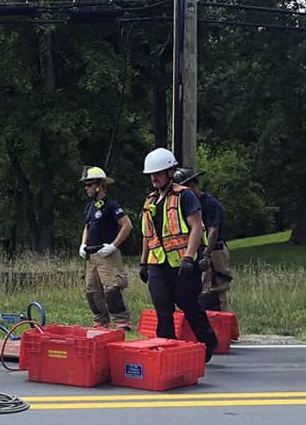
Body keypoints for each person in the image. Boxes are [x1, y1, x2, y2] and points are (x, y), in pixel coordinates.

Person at [138, 147, 218, 361]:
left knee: (189, 305)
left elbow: (196, 228)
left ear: (170, 173)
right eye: (151, 175)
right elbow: (147, 235)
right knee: (163, 308)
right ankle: (166, 350)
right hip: (158, 264)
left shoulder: (185, 196)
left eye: (158, 173)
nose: (154, 178)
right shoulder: (150, 202)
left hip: (183, 264)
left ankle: (208, 342)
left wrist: (189, 257)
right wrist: (143, 263)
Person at [78, 166, 133, 331]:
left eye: (89, 185)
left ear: (99, 185)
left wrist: (114, 245)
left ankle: (122, 322)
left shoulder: (111, 205)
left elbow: (127, 225)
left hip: (107, 253)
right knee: (92, 292)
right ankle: (101, 322)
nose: (86, 188)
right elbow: (87, 226)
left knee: (112, 289)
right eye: (85, 185)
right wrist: (83, 244)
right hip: (91, 254)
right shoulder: (90, 206)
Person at [173, 167, 231, 311]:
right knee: (200, 289)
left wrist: (206, 255)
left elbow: (213, 231)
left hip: (214, 249)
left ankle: (222, 324)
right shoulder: (188, 205)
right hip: (198, 250)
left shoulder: (210, 203)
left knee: (216, 288)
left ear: (193, 184)